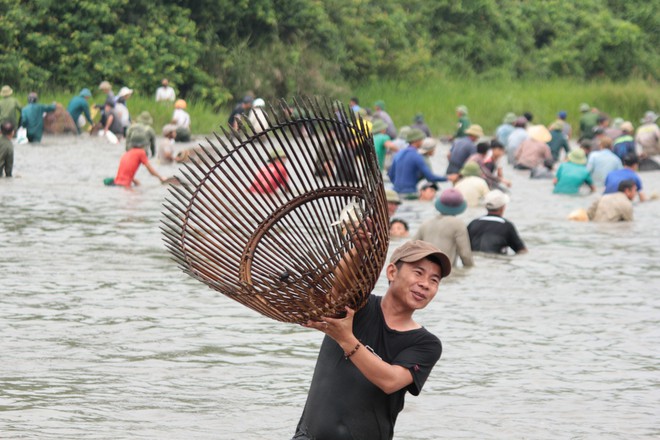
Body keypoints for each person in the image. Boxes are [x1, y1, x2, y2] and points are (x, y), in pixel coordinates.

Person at [292, 240, 449, 440]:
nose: (425, 284)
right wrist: (357, 249)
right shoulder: (358, 307)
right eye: (418, 273)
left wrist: (346, 339)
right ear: (392, 272)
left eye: (434, 280)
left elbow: (390, 381)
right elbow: (338, 289)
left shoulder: (426, 344)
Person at [414, 188, 474, 268]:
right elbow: (465, 255)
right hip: (445, 272)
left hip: (425, 270)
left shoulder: (426, 224)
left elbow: (412, 247)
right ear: (460, 207)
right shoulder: (458, 224)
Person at [388, 128, 447, 198]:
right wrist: (447, 178)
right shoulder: (417, 156)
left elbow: (390, 174)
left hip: (395, 193)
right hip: (410, 193)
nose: (423, 142)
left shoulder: (399, 153)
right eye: (422, 140)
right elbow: (430, 177)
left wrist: (398, 186)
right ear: (417, 141)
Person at [467, 190, 527, 255]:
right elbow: (522, 251)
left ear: (486, 206)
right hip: (497, 262)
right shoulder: (507, 226)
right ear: (503, 207)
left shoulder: (473, 223)